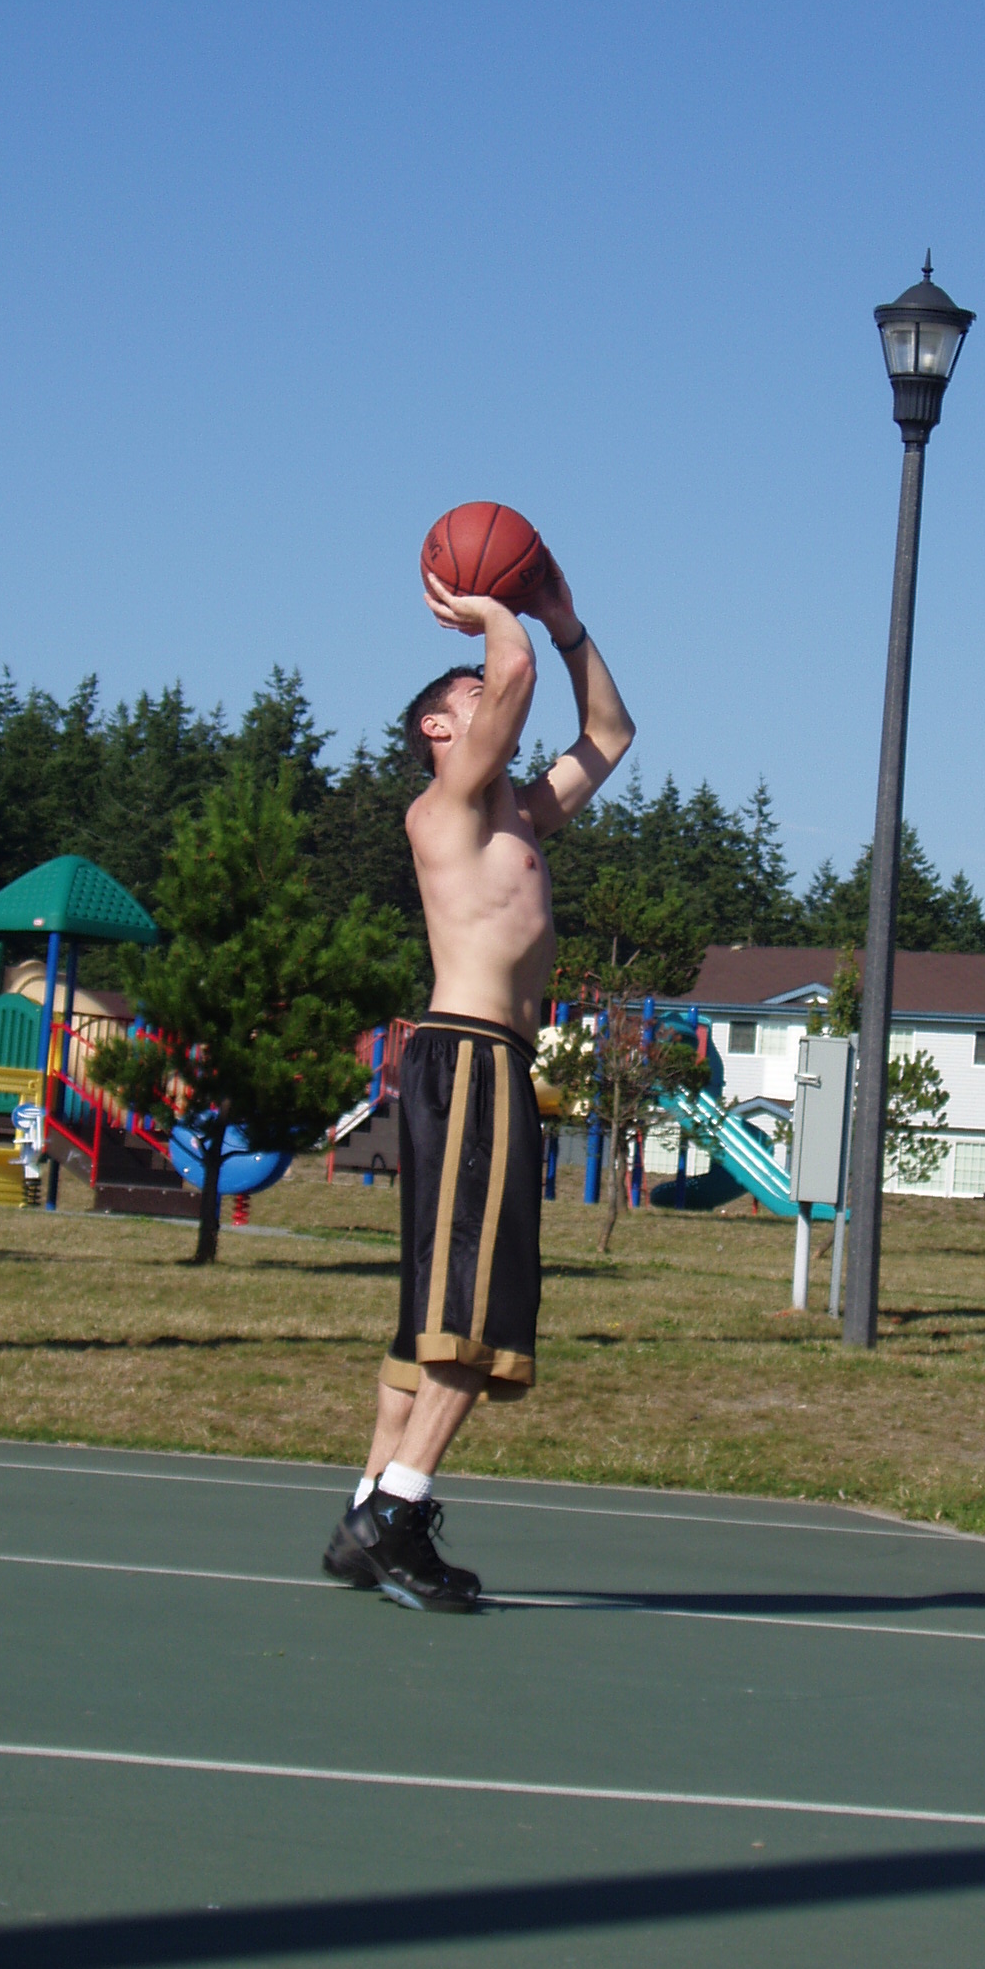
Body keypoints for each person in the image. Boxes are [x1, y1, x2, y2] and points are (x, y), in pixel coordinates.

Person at [323, 549, 634, 1612]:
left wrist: (566, 620)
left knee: (434, 1301)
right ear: (438, 734)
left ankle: (367, 1502)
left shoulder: (519, 816)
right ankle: (397, 1515)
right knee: (476, 1299)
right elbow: (514, 683)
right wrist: (497, 607)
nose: (485, 697)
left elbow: (613, 737)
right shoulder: (446, 804)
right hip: (467, 1056)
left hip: (481, 1063)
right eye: (465, 696)